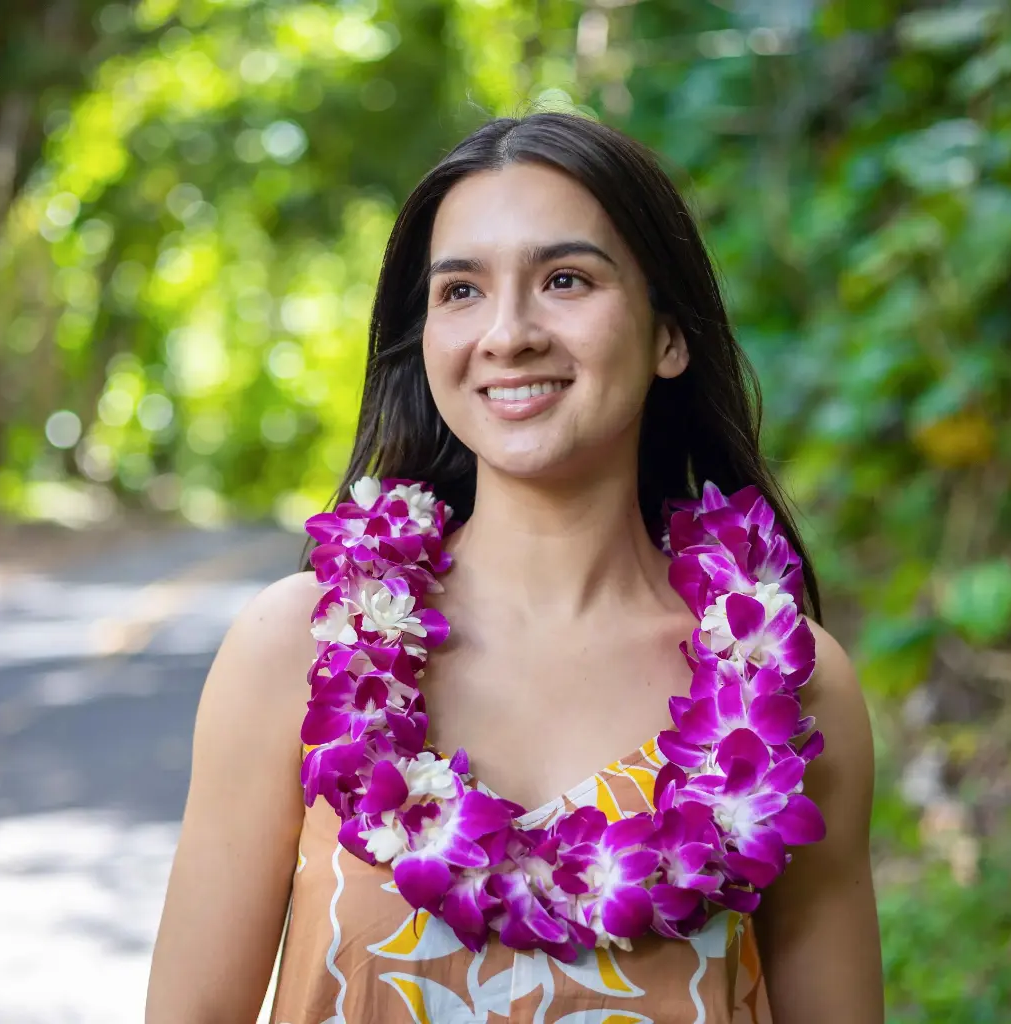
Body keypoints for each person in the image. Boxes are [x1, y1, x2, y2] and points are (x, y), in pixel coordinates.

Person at [147, 112, 883, 1024]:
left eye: (565, 279)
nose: (508, 333)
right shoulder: (296, 651)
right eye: (461, 291)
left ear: (669, 337)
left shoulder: (791, 699)